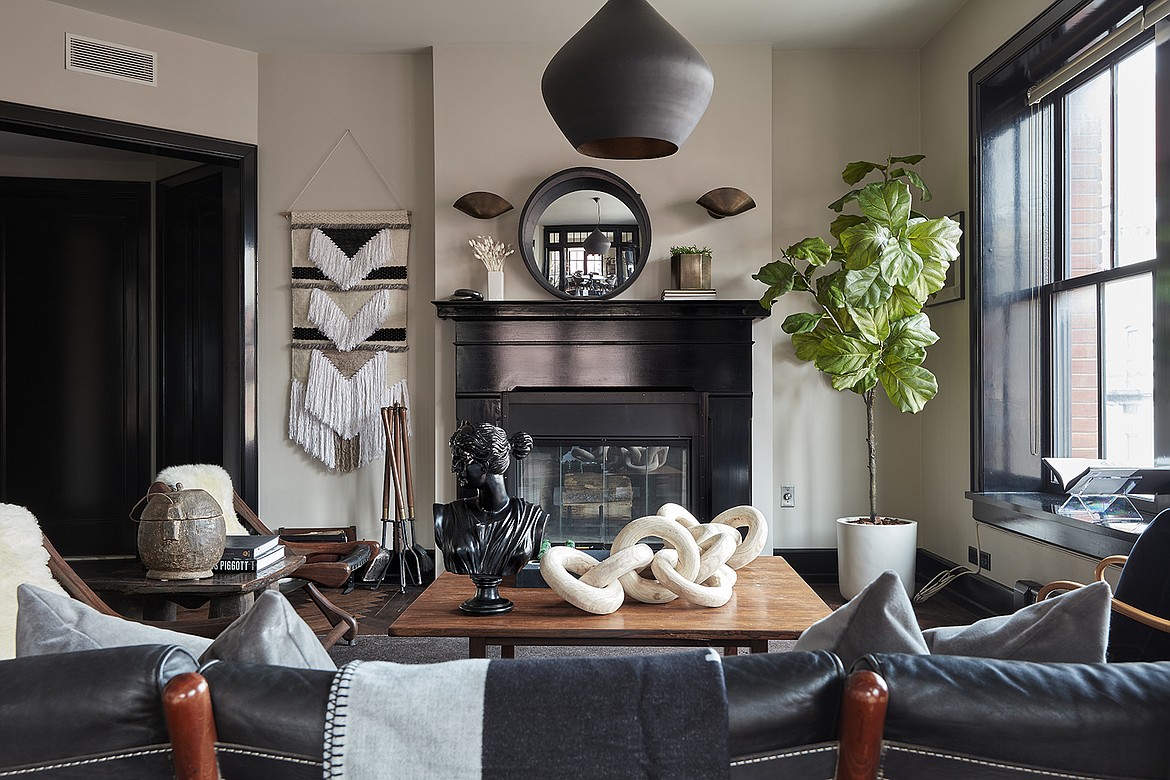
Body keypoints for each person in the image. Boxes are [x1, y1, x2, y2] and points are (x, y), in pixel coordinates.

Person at [434, 422, 548, 578]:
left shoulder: (533, 519)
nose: (454, 468)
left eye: (461, 461)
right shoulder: (445, 515)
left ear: (484, 465)